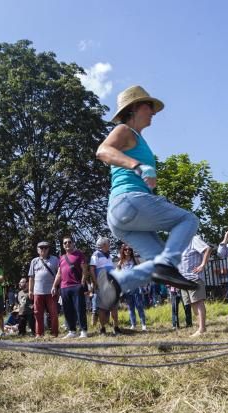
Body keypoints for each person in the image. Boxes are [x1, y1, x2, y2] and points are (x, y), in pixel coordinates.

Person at [94, 85, 199, 312]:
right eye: (148, 106)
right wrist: (137, 165)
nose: (152, 112)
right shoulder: (125, 130)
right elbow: (103, 151)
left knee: (157, 263)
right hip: (128, 201)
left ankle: (116, 282)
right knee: (188, 220)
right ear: (134, 108)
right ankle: (167, 265)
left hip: (120, 218)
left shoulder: (138, 139)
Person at [54, 237, 90, 338]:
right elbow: (59, 274)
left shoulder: (79, 254)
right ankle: (72, 331)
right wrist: (54, 286)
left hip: (76, 286)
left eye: (69, 242)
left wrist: (82, 282)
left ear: (73, 243)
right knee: (67, 310)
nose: (67, 244)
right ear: (63, 245)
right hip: (64, 287)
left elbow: (85, 269)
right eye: (65, 242)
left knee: (80, 309)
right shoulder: (61, 258)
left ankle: (83, 330)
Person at [178, 234, 212, 336]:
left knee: (198, 302)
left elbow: (207, 249)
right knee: (192, 303)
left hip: (194, 278)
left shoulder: (193, 238)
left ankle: (202, 329)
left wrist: (202, 265)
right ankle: (200, 328)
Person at [89, 237, 121, 335]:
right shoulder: (96, 255)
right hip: (102, 285)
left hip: (112, 285)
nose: (110, 245)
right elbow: (91, 269)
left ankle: (116, 327)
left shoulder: (109, 256)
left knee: (114, 307)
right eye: (108, 243)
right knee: (102, 308)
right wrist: (96, 283)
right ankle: (102, 329)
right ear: (103, 245)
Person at [27, 242, 60, 337]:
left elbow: (59, 274)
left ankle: (54, 333)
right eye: (41, 248)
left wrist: (57, 288)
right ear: (37, 250)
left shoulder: (55, 259)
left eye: (45, 247)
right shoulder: (34, 261)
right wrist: (30, 290)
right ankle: (39, 334)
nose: (43, 249)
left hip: (51, 291)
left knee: (53, 314)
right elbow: (31, 277)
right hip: (37, 292)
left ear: (48, 249)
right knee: (37, 314)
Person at [117, 244, 148, 331]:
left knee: (139, 306)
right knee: (130, 307)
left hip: (136, 286)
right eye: (125, 249)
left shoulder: (136, 260)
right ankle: (133, 324)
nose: (127, 251)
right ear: (123, 251)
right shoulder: (121, 262)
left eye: (129, 249)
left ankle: (143, 325)